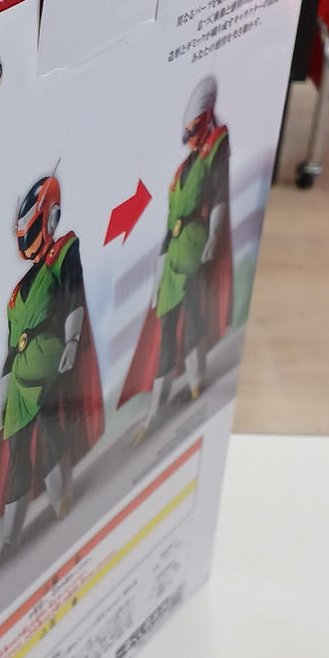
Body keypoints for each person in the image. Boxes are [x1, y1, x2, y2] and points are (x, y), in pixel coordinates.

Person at [0, 173, 104, 559]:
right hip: (19, 384)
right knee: (17, 461)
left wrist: (72, 341)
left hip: (48, 364)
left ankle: (64, 504)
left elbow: (72, 295)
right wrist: (2, 401)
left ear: (49, 219)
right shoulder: (14, 296)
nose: (26, 240)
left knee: (53, 434)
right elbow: (10, 353)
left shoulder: (63, 252)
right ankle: (10, 540)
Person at [118, 74, 234, 440]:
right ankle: (156, 409)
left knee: (195, 317)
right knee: (166, 333)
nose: (190, 138)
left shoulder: (214, 150)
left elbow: (219, 193)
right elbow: (169, 229)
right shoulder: (178, 174)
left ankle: (198, 380)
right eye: (186, 133)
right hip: (171, 260)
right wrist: (158, 274)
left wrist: (213, 235)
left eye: (193, 130)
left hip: (197, 247)